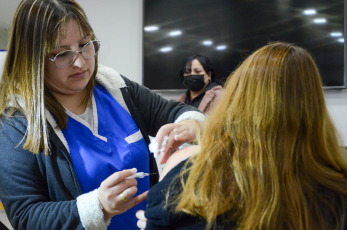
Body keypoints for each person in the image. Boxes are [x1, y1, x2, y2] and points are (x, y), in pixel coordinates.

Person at [0, 1, 206, 230]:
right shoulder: (16, 124)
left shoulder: (114, 87)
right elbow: (25, 216)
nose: (79, 62)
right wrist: (98, 206)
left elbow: (175, 111)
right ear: (33, 59)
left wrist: (191, 124)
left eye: (85, 45)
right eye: (62, 54)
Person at [139, 42, 347, 229]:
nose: (190, 75)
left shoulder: (185, 180)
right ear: (315, 107)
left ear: (236, 100)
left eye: (196, 70)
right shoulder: (336, 190)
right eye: (187, 71)